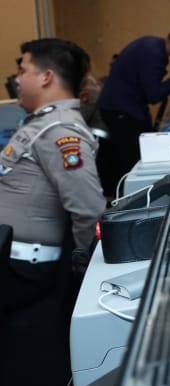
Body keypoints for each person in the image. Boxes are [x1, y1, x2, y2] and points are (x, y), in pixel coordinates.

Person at [2, 38, 105, 335]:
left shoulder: (59, 130)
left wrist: (83, 275)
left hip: (19, 269)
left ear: (46, 77)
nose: (17, 80)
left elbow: (89, 209)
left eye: (23, 70)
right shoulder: (42, 123)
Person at [96, 23, 170, 196]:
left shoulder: (150, 45)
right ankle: (133, 202)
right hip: (123, 112)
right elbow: (154, 95)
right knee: (134, 162)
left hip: (120, 109)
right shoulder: (154, 54)